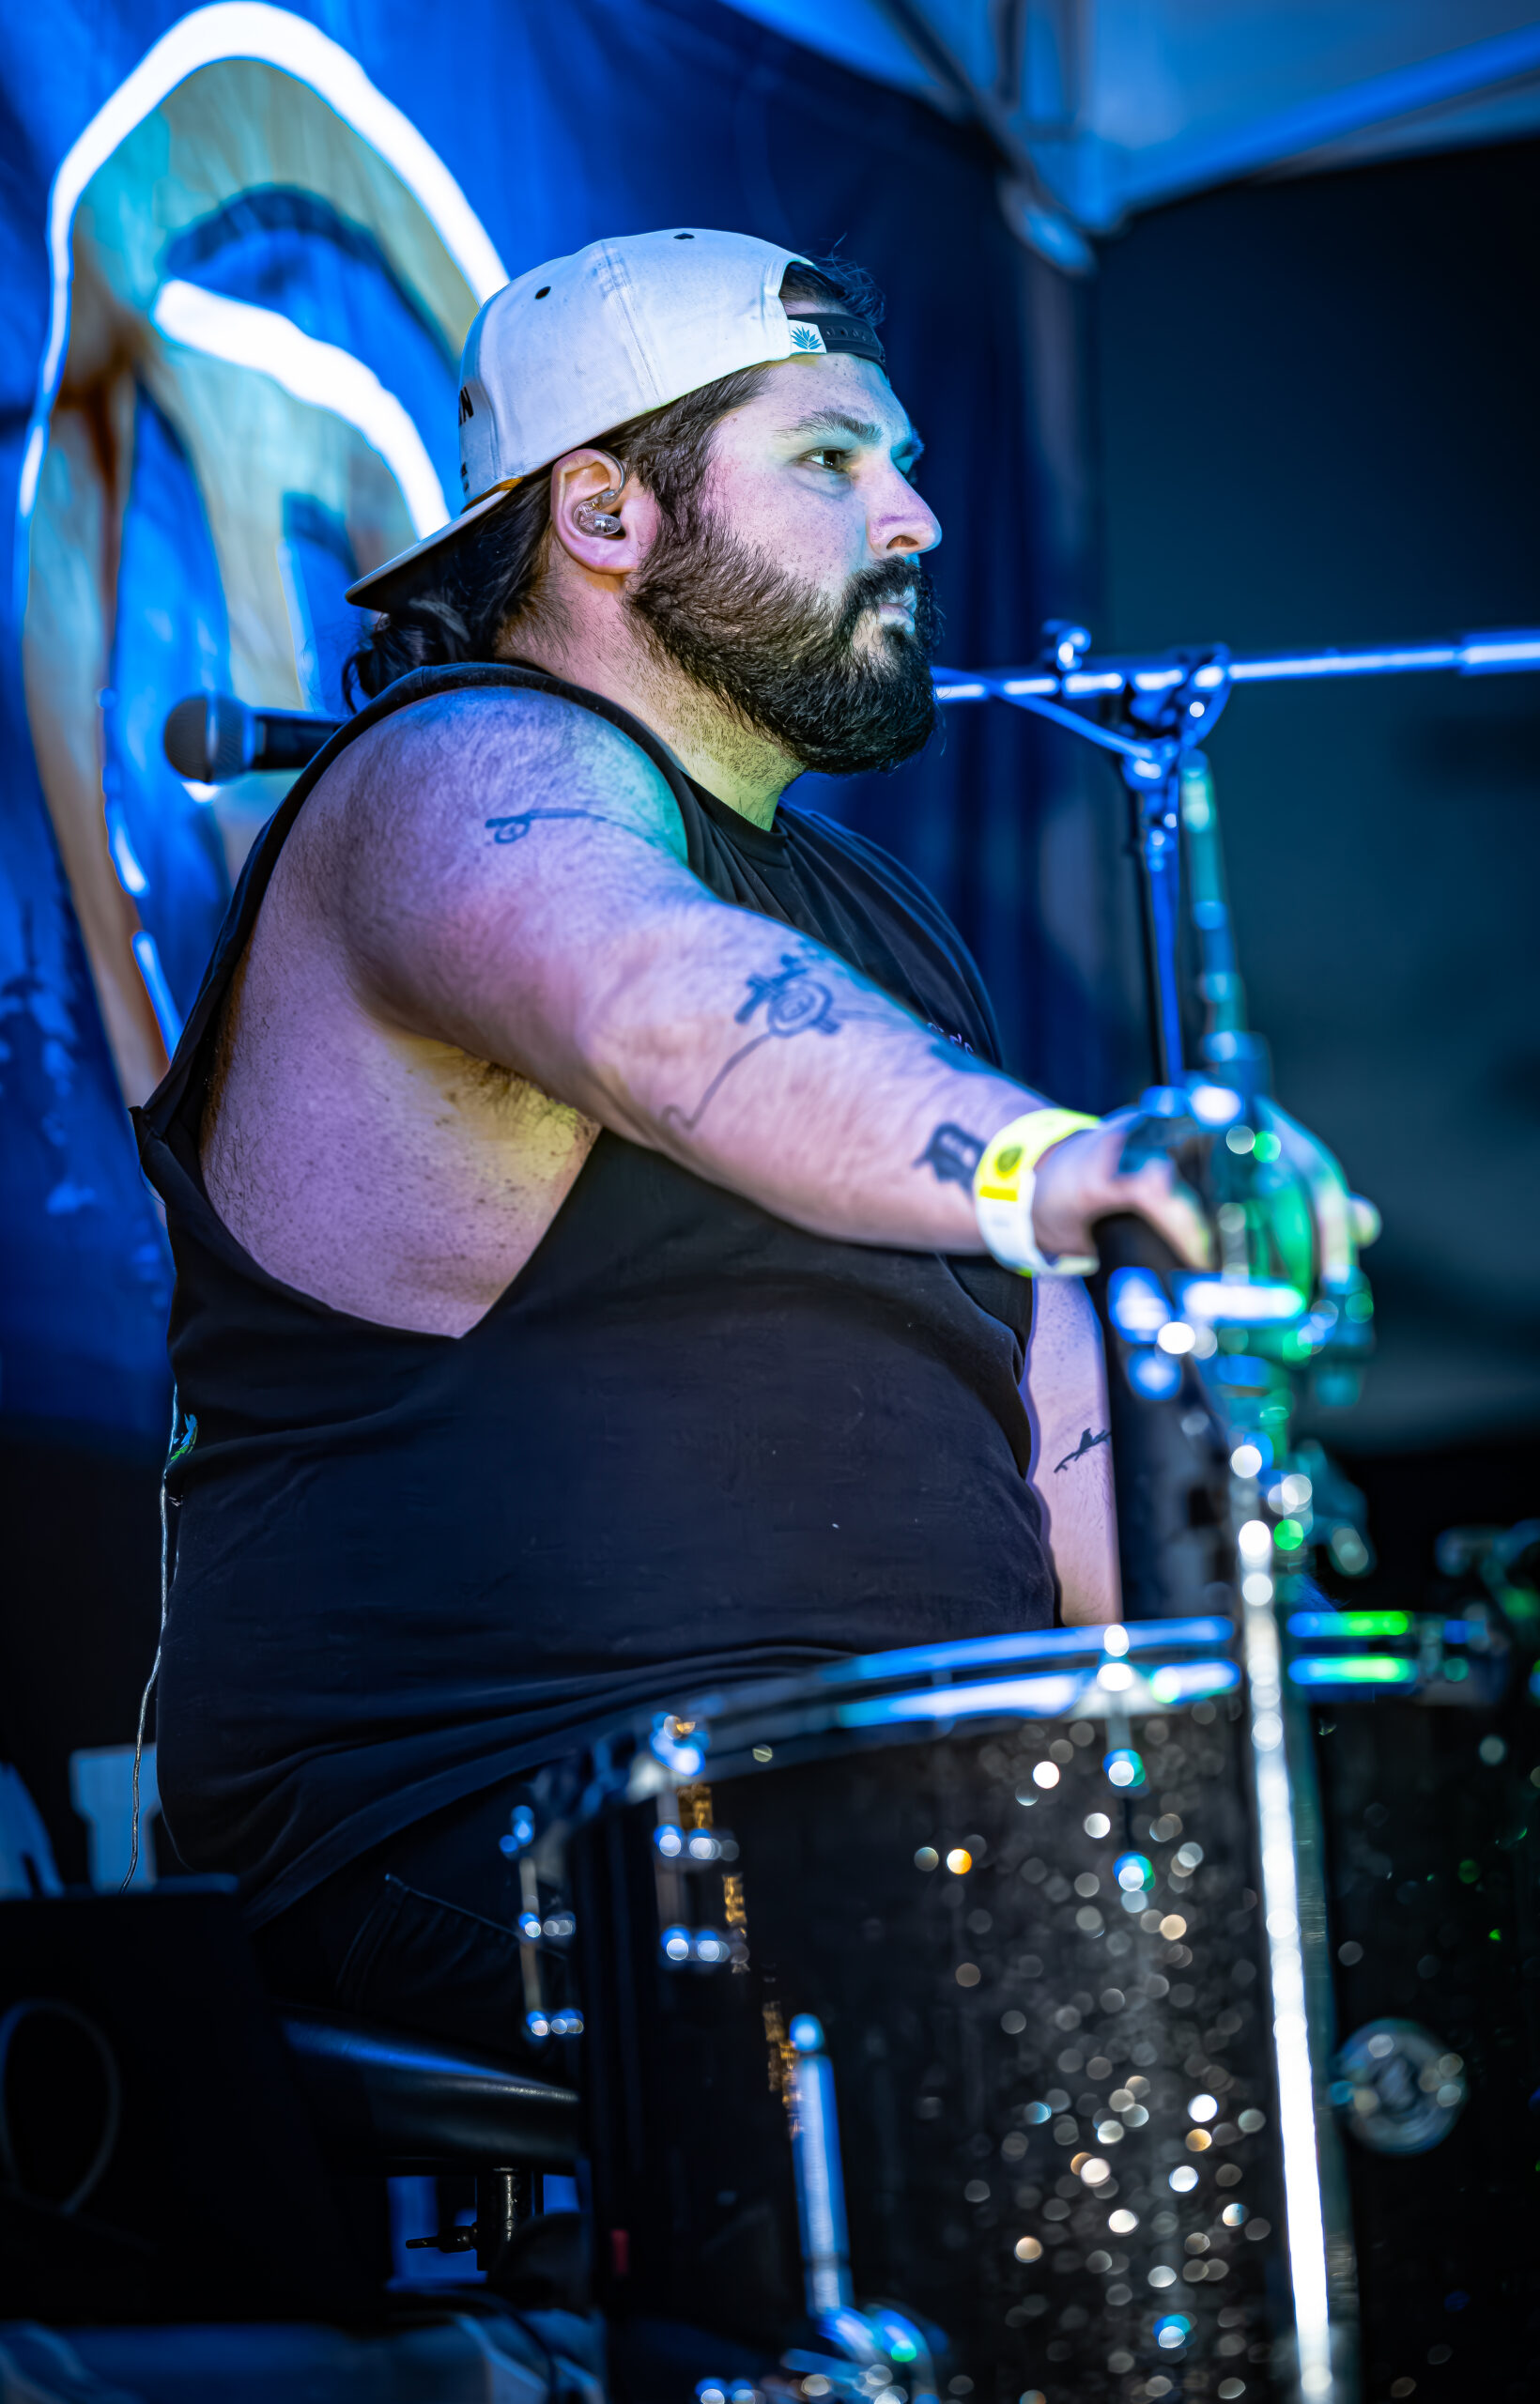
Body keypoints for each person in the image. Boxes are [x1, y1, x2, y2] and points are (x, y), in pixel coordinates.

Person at [135, 230, 1203, 2057]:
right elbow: (651, 996)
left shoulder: (872, 919)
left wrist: (1293, 1726)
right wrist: (1060, 1163)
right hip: (516, 1815)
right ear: (605, 511)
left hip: (882, 1805)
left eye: (906, 466)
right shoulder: (451, 767)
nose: (913, 522)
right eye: (828, 459)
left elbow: (1049, 1418)